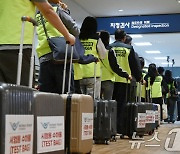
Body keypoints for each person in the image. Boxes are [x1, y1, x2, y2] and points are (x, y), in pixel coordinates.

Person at [0, 0, 75, 86]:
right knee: (22, 94)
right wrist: (67, 35)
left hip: (6, 45)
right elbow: (48, 11)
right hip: (18, 45)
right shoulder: (58, 10)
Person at [35, 0, 79, 94]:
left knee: (46, 95)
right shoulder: (58, 10)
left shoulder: (38, 14)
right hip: (60, 55)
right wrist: (66, 11)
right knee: (66, 93)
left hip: (43, 56)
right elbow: (75, 30)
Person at [110, 28, 142, 134]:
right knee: (122, 105)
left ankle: (109, 126)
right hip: (125, 80)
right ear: (124, 38)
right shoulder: (129, 48)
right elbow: (134, 65)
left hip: (110, 79)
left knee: (110, 104)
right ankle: (119, 128)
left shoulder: (109, 47)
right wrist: (138, 77)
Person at [79, 16, 106, 99]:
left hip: (79, 73)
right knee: (92, 101)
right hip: (93, 73)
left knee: (80, 100)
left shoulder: (78, 38)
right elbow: (103, 55)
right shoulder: (96, 39)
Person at [99, 30, 132, 100]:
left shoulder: (96, 50)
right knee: (107, 102)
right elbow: (115, 66)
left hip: (97, 77)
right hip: (108, 79)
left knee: (96, 101)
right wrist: (126, 75)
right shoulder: (109, 51)